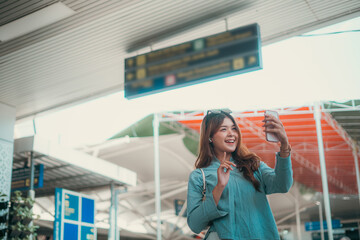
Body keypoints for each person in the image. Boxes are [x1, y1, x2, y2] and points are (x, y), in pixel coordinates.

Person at [187, 109, 293, 240]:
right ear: (210, 137)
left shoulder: (253, 165)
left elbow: (282, 185)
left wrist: (284, 146)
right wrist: (219, 187)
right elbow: (195, 224)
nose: (232, 134)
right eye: (223, 129)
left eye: (234, 128)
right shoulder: (199, 176)